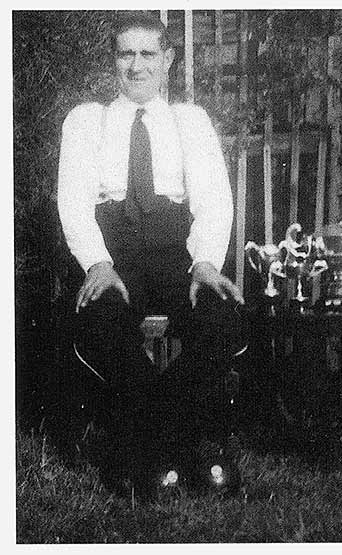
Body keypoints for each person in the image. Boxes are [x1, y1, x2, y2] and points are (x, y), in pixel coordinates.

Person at [57, 11, 244, 497]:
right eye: (126, 54)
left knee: (224, 320)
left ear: (168, 60)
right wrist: (98, 263)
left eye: (147, 54)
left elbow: (212, 200)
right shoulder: (87, 122)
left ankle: (151, 444)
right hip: (113, 257)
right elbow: (73, 200)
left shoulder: (190, 121)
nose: (136, 65)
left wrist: (204, 261)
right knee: (100, 323)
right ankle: (186, 447)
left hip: (174, 256)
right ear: (113, 61)